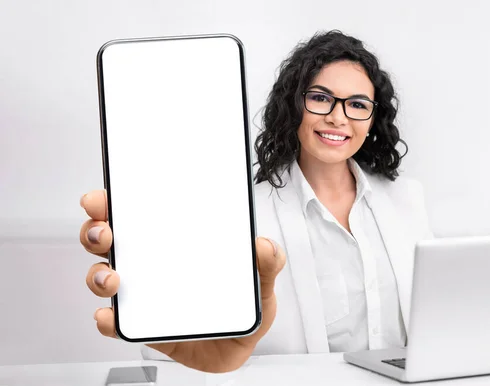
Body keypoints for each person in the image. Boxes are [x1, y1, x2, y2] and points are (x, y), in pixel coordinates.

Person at [79, 30, 433, 373]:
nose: (337, 117)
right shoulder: (242, 214)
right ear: (295, 106)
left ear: (372, 119)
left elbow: (435, 317)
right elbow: (185, 352)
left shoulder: (406, 200)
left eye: (357, 104)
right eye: (321, 98)